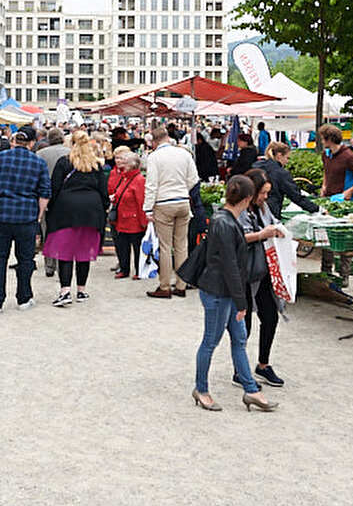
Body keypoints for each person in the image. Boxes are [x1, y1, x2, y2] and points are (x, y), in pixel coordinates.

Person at [192, 175, 277, 413]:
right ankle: (202, 388)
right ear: (248, 198)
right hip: (220, 292)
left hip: (223, 290)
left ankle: (251, 389)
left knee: (239, 339)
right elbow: (230, 266)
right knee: (211, 341)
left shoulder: (225, 218)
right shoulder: (226, 223)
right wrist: (242, 302)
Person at [0, 125, 51, 314]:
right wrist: (38, 215)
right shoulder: (38, 163)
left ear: (14, 141)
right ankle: (23, 297)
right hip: (26, 216)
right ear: (31, 143)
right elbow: (45, 193)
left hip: (1, 215)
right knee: (25, 259)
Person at [44, 130, 109, 306]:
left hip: (67, 209)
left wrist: (51, 208)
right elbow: (104, 192)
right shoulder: (95, 165)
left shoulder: (64, 162)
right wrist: (103, 209)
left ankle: (65, 291)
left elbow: (55, 188)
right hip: (91, 210)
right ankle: (81, 290)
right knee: (83, 252)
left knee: (65, 251)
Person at [238, 170, 286, 388]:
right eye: (263, 193)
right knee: (244, 325)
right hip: (245, 272)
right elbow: (237, 237)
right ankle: (240, 371)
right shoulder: (238, 209)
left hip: (264, 270)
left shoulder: (263, 208)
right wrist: (262, 235)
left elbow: (274, 223)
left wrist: (279, 230)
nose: (266, 197)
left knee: (270, 317)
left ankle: (263, 365)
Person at [144, 124, 199, 299]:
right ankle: (181, 284)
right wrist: (183, 190)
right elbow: (194, 179)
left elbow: (151, 184)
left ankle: (165, 285)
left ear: (154, 142)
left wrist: (147, 207)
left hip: (164, 203)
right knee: (181, 245)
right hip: (183, 201)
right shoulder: (184, 153)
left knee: (165, 246)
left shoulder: (154, 157)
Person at [107, 150, 148, 279]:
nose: (122, 163)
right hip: (122, 218)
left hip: (134, 220)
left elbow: (141, 202)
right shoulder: (125, 177)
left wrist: (144, 223)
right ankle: (124, 269)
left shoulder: (139, 180)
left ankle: (138, 270)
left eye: (125, 161)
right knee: (122, 246)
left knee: (136, 247)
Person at [253, 142, 319, 220]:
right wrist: (316, 209)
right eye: (287, 158)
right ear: (279, 155)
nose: (287, 161)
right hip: (271, 213)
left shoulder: (255, 167)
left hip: (253, 212)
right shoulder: (281, 173)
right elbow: (295, 196)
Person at [37, 128, 70, 277]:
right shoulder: (70, 153)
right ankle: (64, 261)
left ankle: (50, 265)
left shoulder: (41, 154)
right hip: (67, 197)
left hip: (46, 197)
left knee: (47, 231)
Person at [318, 124, 353, 200]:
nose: (322, 142)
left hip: (344, 202)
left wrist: (349, 191)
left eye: (323, 139)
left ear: (329, 139)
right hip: (328, 199)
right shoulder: (325, 155)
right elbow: (326, 171)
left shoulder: (349, 157)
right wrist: (324, 186)